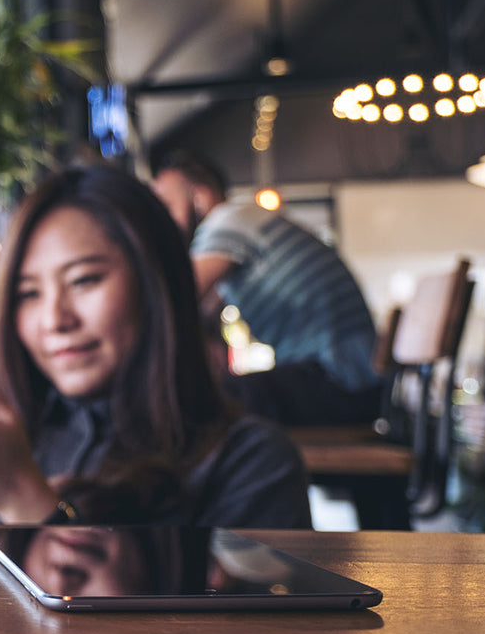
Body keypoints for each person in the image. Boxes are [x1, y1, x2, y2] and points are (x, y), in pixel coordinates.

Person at [0, 165, 310, 527]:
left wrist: (19, 496)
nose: (56, 320)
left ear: (155, 284)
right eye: (28, 294)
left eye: (84, 281)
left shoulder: (249, 463)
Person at [150, 149, 381, 427]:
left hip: (340, 380)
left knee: (204, 402)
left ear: (200, 196)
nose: (161, 218)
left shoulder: (226, 221)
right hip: (352, 379)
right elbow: (205, 309)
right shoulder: (244, 228)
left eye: (166, 204)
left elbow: (177, 297)